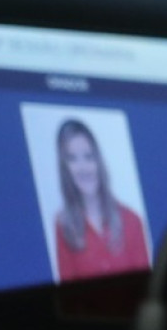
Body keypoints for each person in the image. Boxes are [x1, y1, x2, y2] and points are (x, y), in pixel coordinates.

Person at [52, 118, 150, 282]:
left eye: (89, 156)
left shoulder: (132, 221)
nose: (83, 168)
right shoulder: (62, 226)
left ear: (99, 161)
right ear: (65, 168)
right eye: (72, 159)